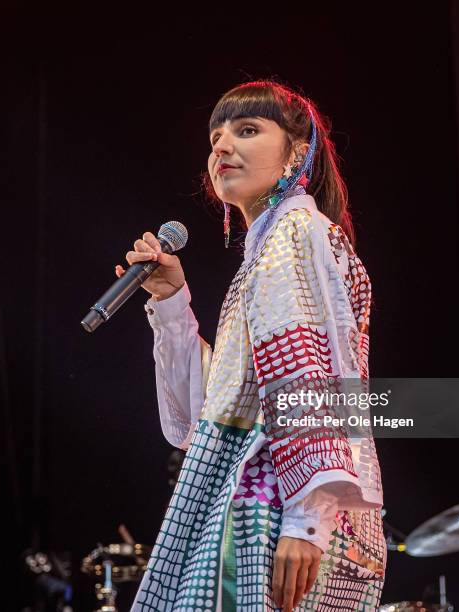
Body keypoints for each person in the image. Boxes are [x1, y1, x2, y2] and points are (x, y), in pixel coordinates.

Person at [119, 80, 387, 611]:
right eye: (216, 136)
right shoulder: (274, 248)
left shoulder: (292, 234)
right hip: (276, 500)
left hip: (273, 505)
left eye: (246, 130)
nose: (221, 146)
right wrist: (172, 303)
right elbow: (214, 412)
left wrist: (305, 520)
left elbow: (304, 379)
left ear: (295, 151)